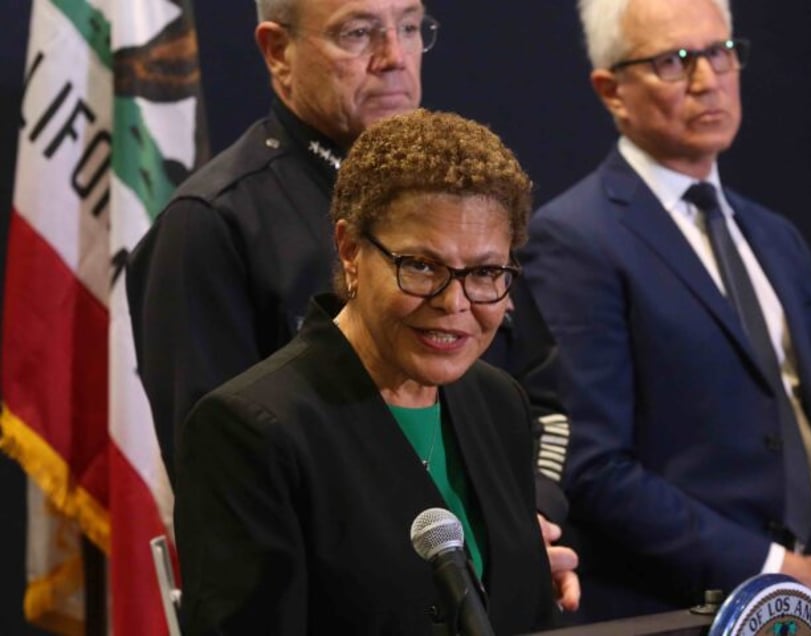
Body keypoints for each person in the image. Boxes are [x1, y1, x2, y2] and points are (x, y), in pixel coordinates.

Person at [174, 109, 579, 634]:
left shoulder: (498, 401)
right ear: (350, 250)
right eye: (422, 266)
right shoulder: (251, 431)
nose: (454, 303)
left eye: (484, 273)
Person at [519, 0, 811, 623]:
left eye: (720, 52)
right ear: (610, 90)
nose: (708, 80)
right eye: (674, 62)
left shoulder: (777, 237)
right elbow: (595, 467)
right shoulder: (575, 240)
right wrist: (779, 570)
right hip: (678, 607)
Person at [125, 0, 433, 479]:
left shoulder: (454, 200)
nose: (395, 56)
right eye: (357, 33)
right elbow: (223, 477)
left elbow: (538, 391)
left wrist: (520, 515)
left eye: (409, 27)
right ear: (277, 51)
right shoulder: (207, 227)